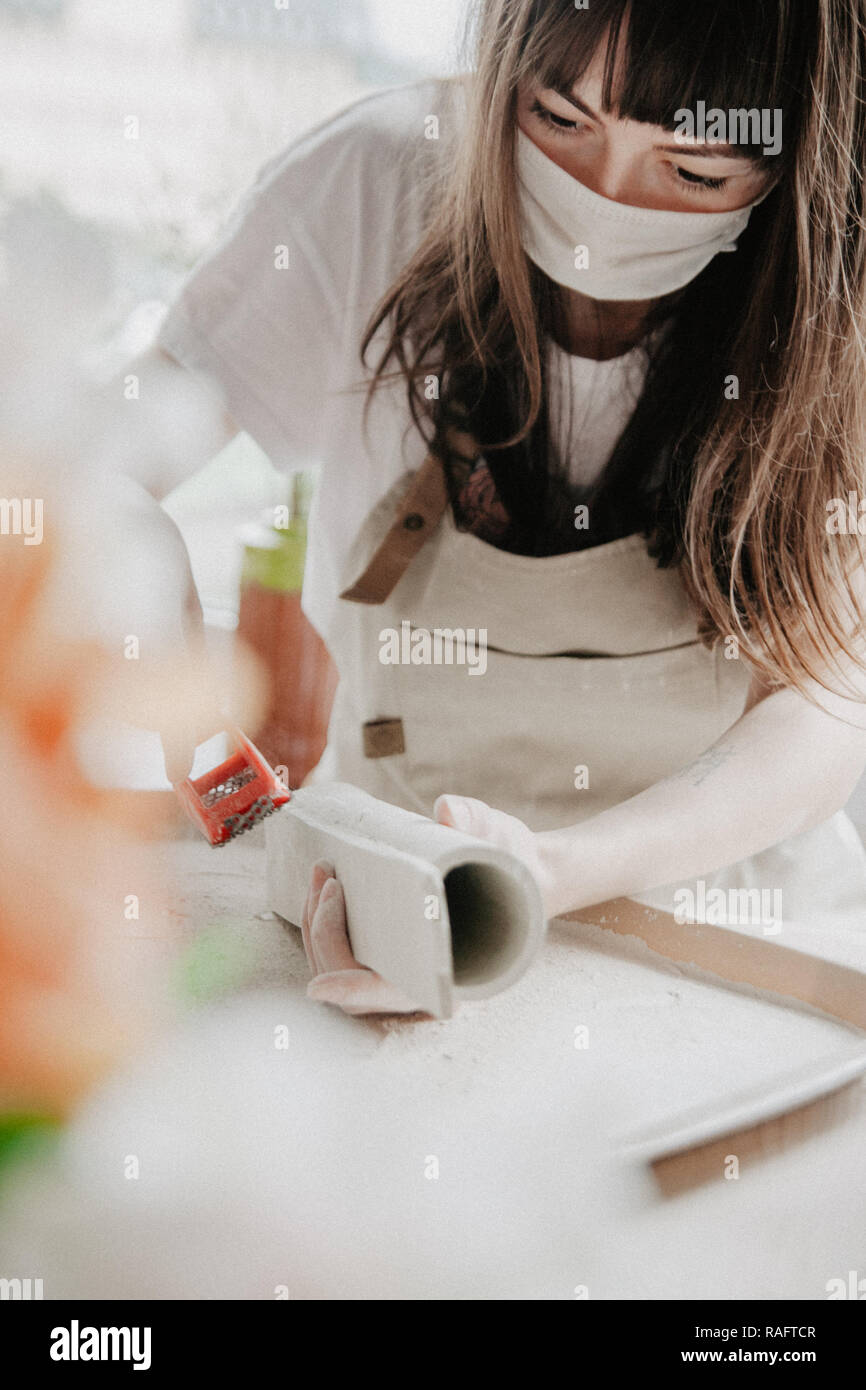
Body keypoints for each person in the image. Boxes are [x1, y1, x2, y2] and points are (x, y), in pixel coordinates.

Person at [136, 0, 866, 1015]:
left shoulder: (837, 280)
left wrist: (551, 869)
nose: (599, 204)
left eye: (693, 173)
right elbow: (97, 466)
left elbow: (824, 706)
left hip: (745, 948)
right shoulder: (375, 182)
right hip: (400, 902)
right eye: (558, 122)